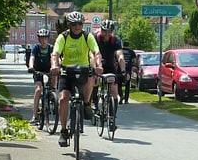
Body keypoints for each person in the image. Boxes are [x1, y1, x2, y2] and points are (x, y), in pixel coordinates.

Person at [50, 11, 102, 147]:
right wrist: (55, 65)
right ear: (69, 25)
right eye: (74, 24)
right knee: (63, 99)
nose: (77, 26)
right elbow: (55, 53)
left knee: (91, 78)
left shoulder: (87, 36)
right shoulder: (63, 37)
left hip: (83, 69)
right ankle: (63, 131)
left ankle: (86, 103)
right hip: (67, 70)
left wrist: (99, 65)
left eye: (79, 24)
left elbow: (96, 52)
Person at [92, 19, 126, 115]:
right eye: (104, 31)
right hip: (97, 64)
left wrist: (123, 71)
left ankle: (112, 116)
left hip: (110, 65)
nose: (106, 34)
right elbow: (91, 54)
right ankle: (94, 103)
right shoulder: (95, 38)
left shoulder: (115, 40)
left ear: (112, 31)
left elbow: (120, 56)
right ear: (101, 30)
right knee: (95, 81)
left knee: (114, 90)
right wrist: (94, 67)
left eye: (109, 32)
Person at [25, 28, 55, 124]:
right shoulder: (36, 48)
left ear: (48, 39)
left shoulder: (51, 48)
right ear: (38, 39)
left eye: (45, 38)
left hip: (49, 70)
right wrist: (31, 66)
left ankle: (52, 95)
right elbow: (32, 57)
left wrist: (55, 66)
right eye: (41, 38)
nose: (43, 40)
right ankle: (35, 116)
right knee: (38, 90)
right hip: (37, 71)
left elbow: (54, 58)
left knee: (54, 77)